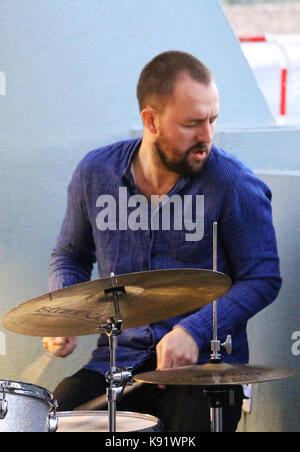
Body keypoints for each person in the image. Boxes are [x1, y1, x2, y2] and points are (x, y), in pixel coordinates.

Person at [43, 51, 281, 432]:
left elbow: (263, 278)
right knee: (52, 419)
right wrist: (66, 309)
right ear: (150, 121)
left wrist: (194, 330)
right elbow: (70, 255)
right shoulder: (94, 173)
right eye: (191, 124)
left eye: (212, 120)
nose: (206, 136)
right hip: (117, 365)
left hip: (203, 372)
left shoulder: (234, 183)